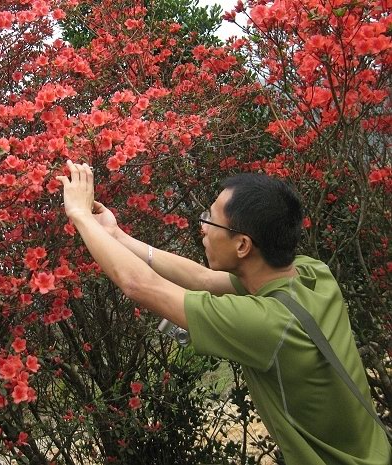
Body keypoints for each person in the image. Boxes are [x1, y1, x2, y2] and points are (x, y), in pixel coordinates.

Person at [56, 160, 392, 465]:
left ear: (242, 245)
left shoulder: (266, 324)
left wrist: (80, 215)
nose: (202, 226)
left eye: (210, 219)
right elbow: (203, 279)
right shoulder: (311, 273)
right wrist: (115, 234)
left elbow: (140, 285)